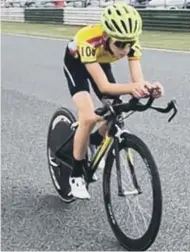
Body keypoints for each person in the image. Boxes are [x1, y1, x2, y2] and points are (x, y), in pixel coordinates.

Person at [63, 3, 164, 199]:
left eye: (130, 43)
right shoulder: (89, 39)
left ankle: (92, 141)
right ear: (107, 36)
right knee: (88, 117)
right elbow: (104, 87)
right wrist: (135, 88)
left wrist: (150, 89)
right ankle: (76, 175)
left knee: (117, 110)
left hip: (100, 62)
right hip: (76, 64)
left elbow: (137, 81)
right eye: (119, 44)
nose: (125, 49)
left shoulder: (129, 44)